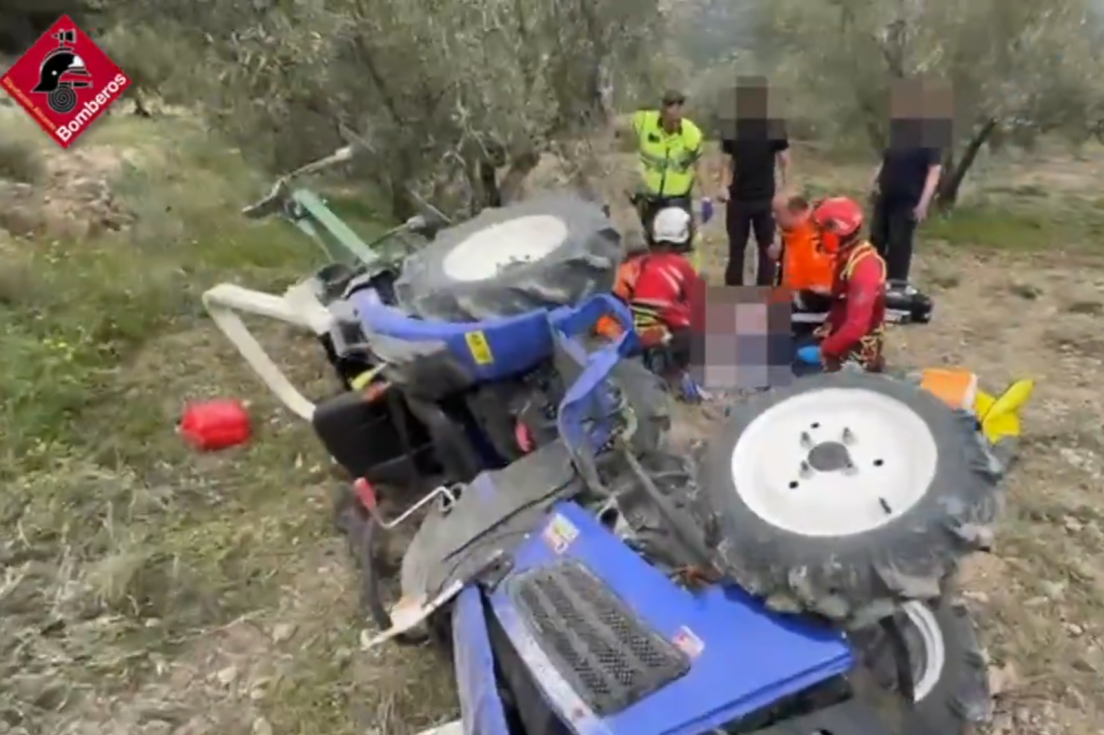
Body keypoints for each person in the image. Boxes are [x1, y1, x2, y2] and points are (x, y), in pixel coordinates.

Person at [795, 197, 887, 372]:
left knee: (799, 371)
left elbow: (856, 326)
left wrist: (825, 349)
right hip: (838, 329)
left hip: (857, 346)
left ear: (834, 232)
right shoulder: (849, 255)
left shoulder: (863, 268)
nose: (818, 236)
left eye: (821, 231)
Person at [868, 82, 945, 283]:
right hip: (886, 194)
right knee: (876, 238)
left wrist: (923, 204)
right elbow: (887, 158)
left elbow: (934, 170)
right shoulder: (899, 131)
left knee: (898, 244)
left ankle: (896, 285)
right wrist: (875, 179)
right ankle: (873, 280)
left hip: (908, 197)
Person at [719, 80, 791, 286]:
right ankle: (732, 297)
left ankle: (765, 296)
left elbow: (784, 160)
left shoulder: (774, 127)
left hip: (765, 199)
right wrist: (723, 185)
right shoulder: (732, 127)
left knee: (767, 251)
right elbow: (727, 160)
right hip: (738, 199)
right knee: (736, 251)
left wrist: (786, 191)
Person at [627, 90, 705, 246]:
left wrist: (706, 199)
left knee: (682, 244)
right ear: (661, 112)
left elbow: (700, 165)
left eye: (678, 120)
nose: (675, 125)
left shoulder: (692, 134)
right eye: (671, 121)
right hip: (650, 200)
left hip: (678, 200)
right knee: (652, 244)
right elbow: (617, 123)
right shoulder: (645, 122)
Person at [770, 192, 837, 294]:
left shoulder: (820, 239)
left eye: (777, 212)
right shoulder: (792, 233)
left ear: (795, 213)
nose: (772, 216)